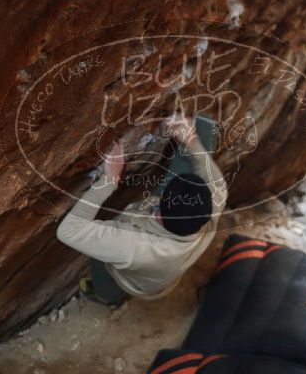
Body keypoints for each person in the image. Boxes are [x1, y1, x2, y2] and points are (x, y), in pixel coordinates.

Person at [56, 114, 227, 305]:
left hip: (134, 282)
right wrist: (191, 141)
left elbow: (68, 231)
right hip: (166, 267)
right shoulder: (212, 202)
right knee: (190, 163)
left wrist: (108, 181)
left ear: (159, 210)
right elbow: (214, 180)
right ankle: (202, 120)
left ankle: (106, 297)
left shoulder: (137, 247)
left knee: (101, 262)